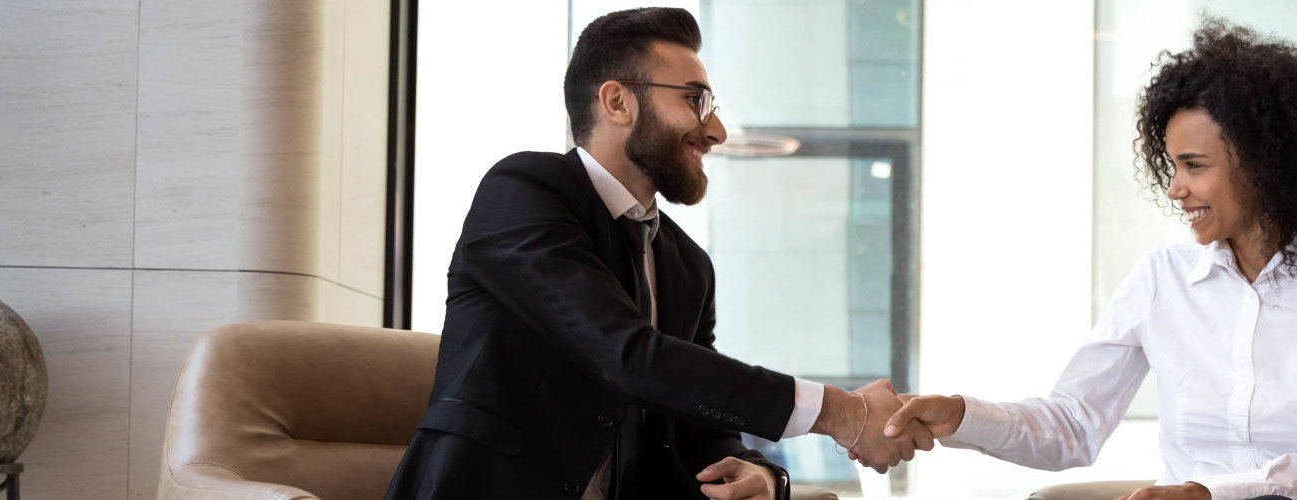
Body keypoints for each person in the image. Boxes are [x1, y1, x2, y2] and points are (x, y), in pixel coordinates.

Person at [386, 8, 923, 500]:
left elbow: (700, 427)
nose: (714, 130)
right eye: (695, 99)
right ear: (618, 101)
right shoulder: (524, 190)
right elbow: (628, 358)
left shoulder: (687, 264)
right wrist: (838, 411)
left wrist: (757, 471)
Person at [885, 18, 1297, 500]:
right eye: (1173, 165)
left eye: (1194, 165)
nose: (1175, 189)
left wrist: (1206, 494)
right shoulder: (1162, 277)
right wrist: (959, 415)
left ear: (1265, 164)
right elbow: (1073, 423)